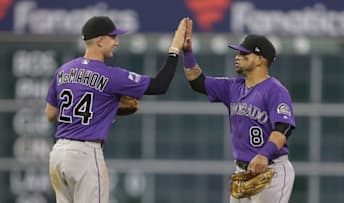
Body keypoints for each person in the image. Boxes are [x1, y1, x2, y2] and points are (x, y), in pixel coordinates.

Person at [45, 16, 189, 203]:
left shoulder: (63, 70)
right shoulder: (110, 75)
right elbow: (159, 86)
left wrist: (105, 108)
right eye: (113, 37)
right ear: (100, 40)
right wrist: (174, 49)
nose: (116, 42)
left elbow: (50, 113)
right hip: (85, 155)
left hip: (58, 155)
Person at [182, 20, 295, 203]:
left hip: (272, 170)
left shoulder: (275, 90)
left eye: (244, 54)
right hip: (242, 171)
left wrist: (264, 154)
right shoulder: (233, 87)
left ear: (260, 60)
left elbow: (284, 128)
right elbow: (197, 81)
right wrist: (187, 52)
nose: (238, 56)